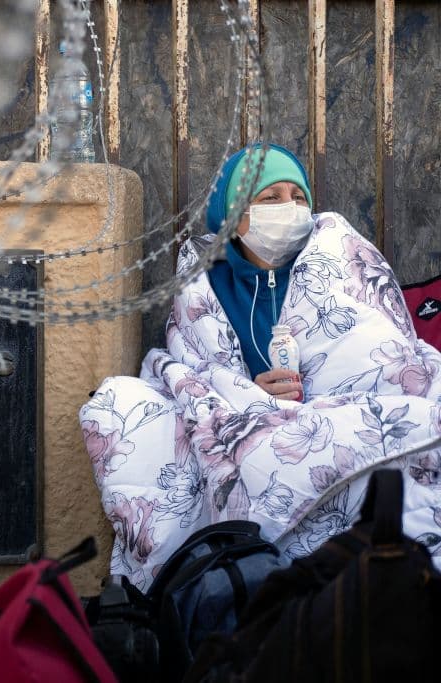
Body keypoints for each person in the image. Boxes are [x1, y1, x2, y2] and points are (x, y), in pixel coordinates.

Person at [79, 143, 441, 590]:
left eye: (298, 196)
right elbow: (197, 375)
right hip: (246, 429)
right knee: (118, 406)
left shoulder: (341, 260)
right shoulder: (203, 286)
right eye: (270, 198)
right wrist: (250, 394)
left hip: (344, 419)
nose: (289, 208)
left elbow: (383, 353)